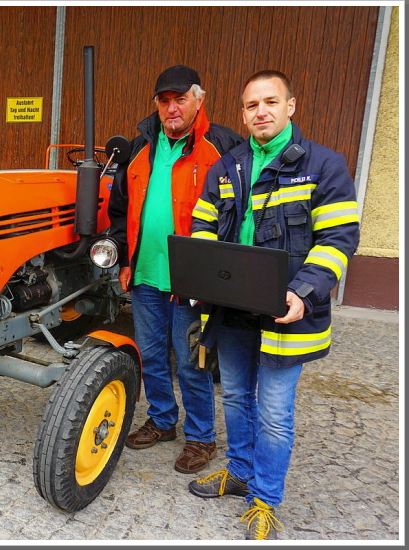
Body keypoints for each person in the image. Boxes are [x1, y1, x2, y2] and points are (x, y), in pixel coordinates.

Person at [187, 70, 360, 539]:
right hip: (232, 309)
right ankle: (240, 471)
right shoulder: (228, 167)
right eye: (251, 105)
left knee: (274, 414)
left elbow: (339, 239)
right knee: (236, 397)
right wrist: (204, 277)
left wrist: (303, 291)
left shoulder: (324, 166)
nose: (260, 112)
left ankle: (264, 499)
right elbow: (203, 226)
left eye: (270, 102)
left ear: (290, 106)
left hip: (287, 312)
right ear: (242, 113)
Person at [108, 65, 242, 474]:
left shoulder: (223, 146)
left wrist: (219, 274)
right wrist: (125, 259)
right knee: (151, 354)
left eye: (180, 99)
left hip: (193, 282)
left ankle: (201, 437)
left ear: (199, 100)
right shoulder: (140, 146)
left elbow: (237, 215)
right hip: (146, 275)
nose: (172, 108)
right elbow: (120, 210)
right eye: (164, 101)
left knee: (191, 361)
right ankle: (163, 420)